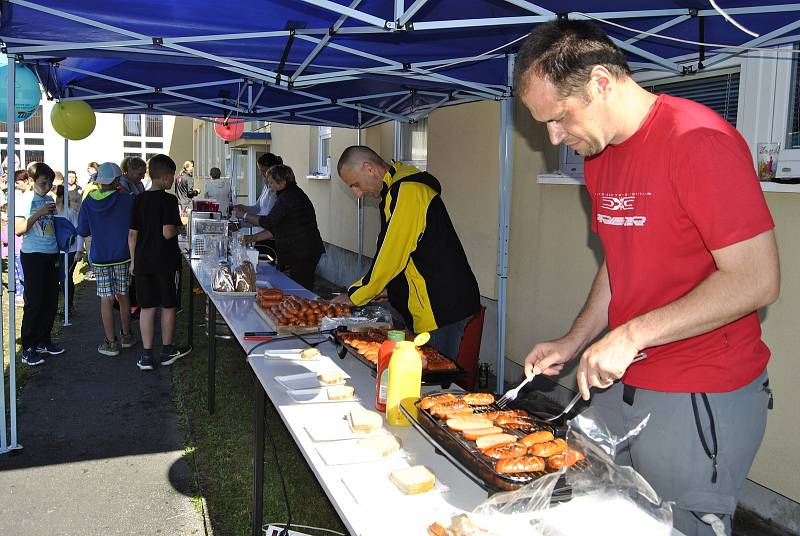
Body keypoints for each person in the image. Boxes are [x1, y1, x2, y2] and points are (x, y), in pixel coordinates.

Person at [516, 21, 780, 535]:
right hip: (623, 381)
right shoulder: (600, 159)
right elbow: (620, 259)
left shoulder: (698, 141)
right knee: (592, 513)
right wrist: (576, 339)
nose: (554, 137)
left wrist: (631, 334)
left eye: (557, 118)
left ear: (599, 82)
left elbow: (756, 279)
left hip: (700, 387)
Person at [332, 146, 480, 360]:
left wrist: (356, 295)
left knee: (432, 380)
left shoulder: (406, 191)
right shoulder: (397, 189)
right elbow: (413, 255)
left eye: (355, 184)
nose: (358, 193)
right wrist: (390, 290)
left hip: (442, 308)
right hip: (436, 305)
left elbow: (391, 256)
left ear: (369, 168)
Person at [129, 154, 183, 370]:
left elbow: (132, 234)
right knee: (168, 306)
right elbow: (168, 232)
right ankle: (168, 349)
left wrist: (133, 262)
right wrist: (182, 228)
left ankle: (147, 355)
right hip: (166, 261)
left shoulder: (138, 199)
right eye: (172, 176)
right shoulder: (169, 200)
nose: (173, 181)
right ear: (166, 177)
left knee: (147, 307)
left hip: (142, 260)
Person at [77, 163, 137, 356]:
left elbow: (83, 230)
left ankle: (111, 343)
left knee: (106, 298)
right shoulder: (127, 200)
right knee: (123, 295)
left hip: (101, 257)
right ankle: (127, 335)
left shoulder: (88, 202)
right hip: (123, 255)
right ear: (118, 180)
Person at [236, 165, 324, 291]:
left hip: (303, 251)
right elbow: (276, 228)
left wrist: (244, 215)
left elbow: (268, 222)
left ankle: (304, 308)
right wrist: (251, 238)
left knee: (300, 289)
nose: (269, 186)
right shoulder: (288, 194)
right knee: (294, 287)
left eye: (271, 182)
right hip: (302, 250)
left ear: (282, 182)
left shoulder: (289, 197)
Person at [15, 162, 65, 366]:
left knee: (51, 300)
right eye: (44, 183)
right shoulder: (25, 200)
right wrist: (39, 213)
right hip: (33, 253)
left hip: (51, 252)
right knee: (35, 301)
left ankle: (44, 340)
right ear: (32, 181)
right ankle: (28, 346)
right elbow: (18, 229)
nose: (47, 187)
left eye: (50, 183)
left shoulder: (49, 199)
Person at [55, 185, 84, 313]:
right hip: (55, 250)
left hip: (70, 251)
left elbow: (79, 232)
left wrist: (79, 250)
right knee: (58, 278)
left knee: (66, 277)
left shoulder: (71, 213)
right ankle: (60, 306)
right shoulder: (52, 212)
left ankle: (68, 306)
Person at [231, 152, 282, 219]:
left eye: (264, 171)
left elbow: (268, 218)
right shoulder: (266, 186)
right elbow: (257, 208)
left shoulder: (276, 189)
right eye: (260, 171)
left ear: (273, 170)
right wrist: (240, 207)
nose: (261, 174)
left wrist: (244, 217)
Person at [12, 169, 30, 306]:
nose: (16, 185)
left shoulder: (26, 199)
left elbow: (18, 229)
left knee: (25, 274)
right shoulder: (19, 199)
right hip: (23, 244)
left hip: (28, 244)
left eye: (18, 182)